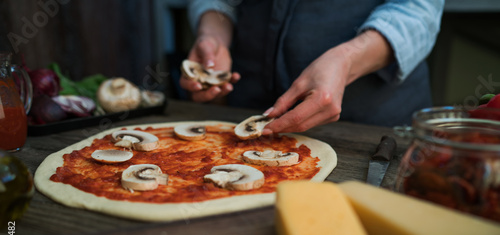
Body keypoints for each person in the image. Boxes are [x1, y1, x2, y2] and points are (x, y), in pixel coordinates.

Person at [180, 0, 445, 134]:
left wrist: (347, 60)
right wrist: (213, 35)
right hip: (242, 109)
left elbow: (418, 10)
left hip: (373, 126)